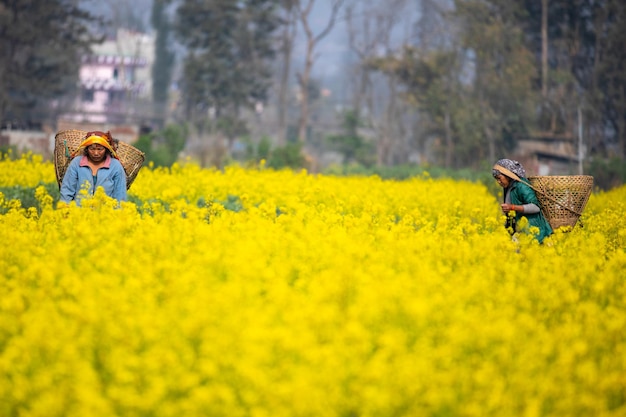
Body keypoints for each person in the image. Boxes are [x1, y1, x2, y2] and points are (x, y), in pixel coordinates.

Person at [492, 158, 552, 243]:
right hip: (520, 233)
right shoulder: (508, 187)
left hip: (535, 234)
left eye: (499, 178)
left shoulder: (521, 186)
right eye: (496, 179)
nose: (499, 182)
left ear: (507, 175)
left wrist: (512, 207)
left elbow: (536, 207)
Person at [60, 131, 127, 205]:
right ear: (86, 149)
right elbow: (67, 190)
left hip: (105, 213)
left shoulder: (115, 166)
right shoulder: (76, 163)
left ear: (106, 149)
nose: (96, 153)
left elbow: (120, 194)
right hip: (80, 212)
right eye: (92, 149)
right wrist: (64, 210)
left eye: (100, 149)